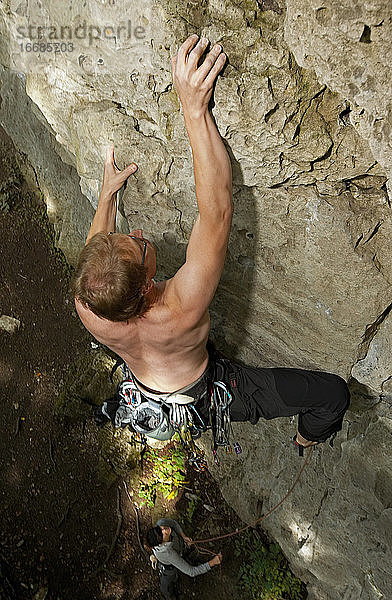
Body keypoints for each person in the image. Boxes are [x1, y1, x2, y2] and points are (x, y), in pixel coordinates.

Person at [72, 34, 350, 452]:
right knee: (333, 395)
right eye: (140, 245)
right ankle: (307, 438)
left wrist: (108, 194)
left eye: (127, 236)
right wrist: (193, 108)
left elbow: (98, 252)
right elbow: (217, 211)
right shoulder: (181, 308)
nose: (140, 234)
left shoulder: (89, 304)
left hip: (147, 381)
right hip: (205, 393)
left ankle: (133, 416)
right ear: (147, 287)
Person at [146, 518, 221, 600]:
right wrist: (212, 562)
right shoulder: (169, 554)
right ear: (162, 543)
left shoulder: (161, 523)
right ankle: (169, 596)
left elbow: (173, 523)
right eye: (162, 534)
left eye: (160, 529)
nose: (164, 529)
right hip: (169, 568)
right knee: (166, 586)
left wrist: (183, 536)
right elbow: (191, 572)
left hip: (180, 550)